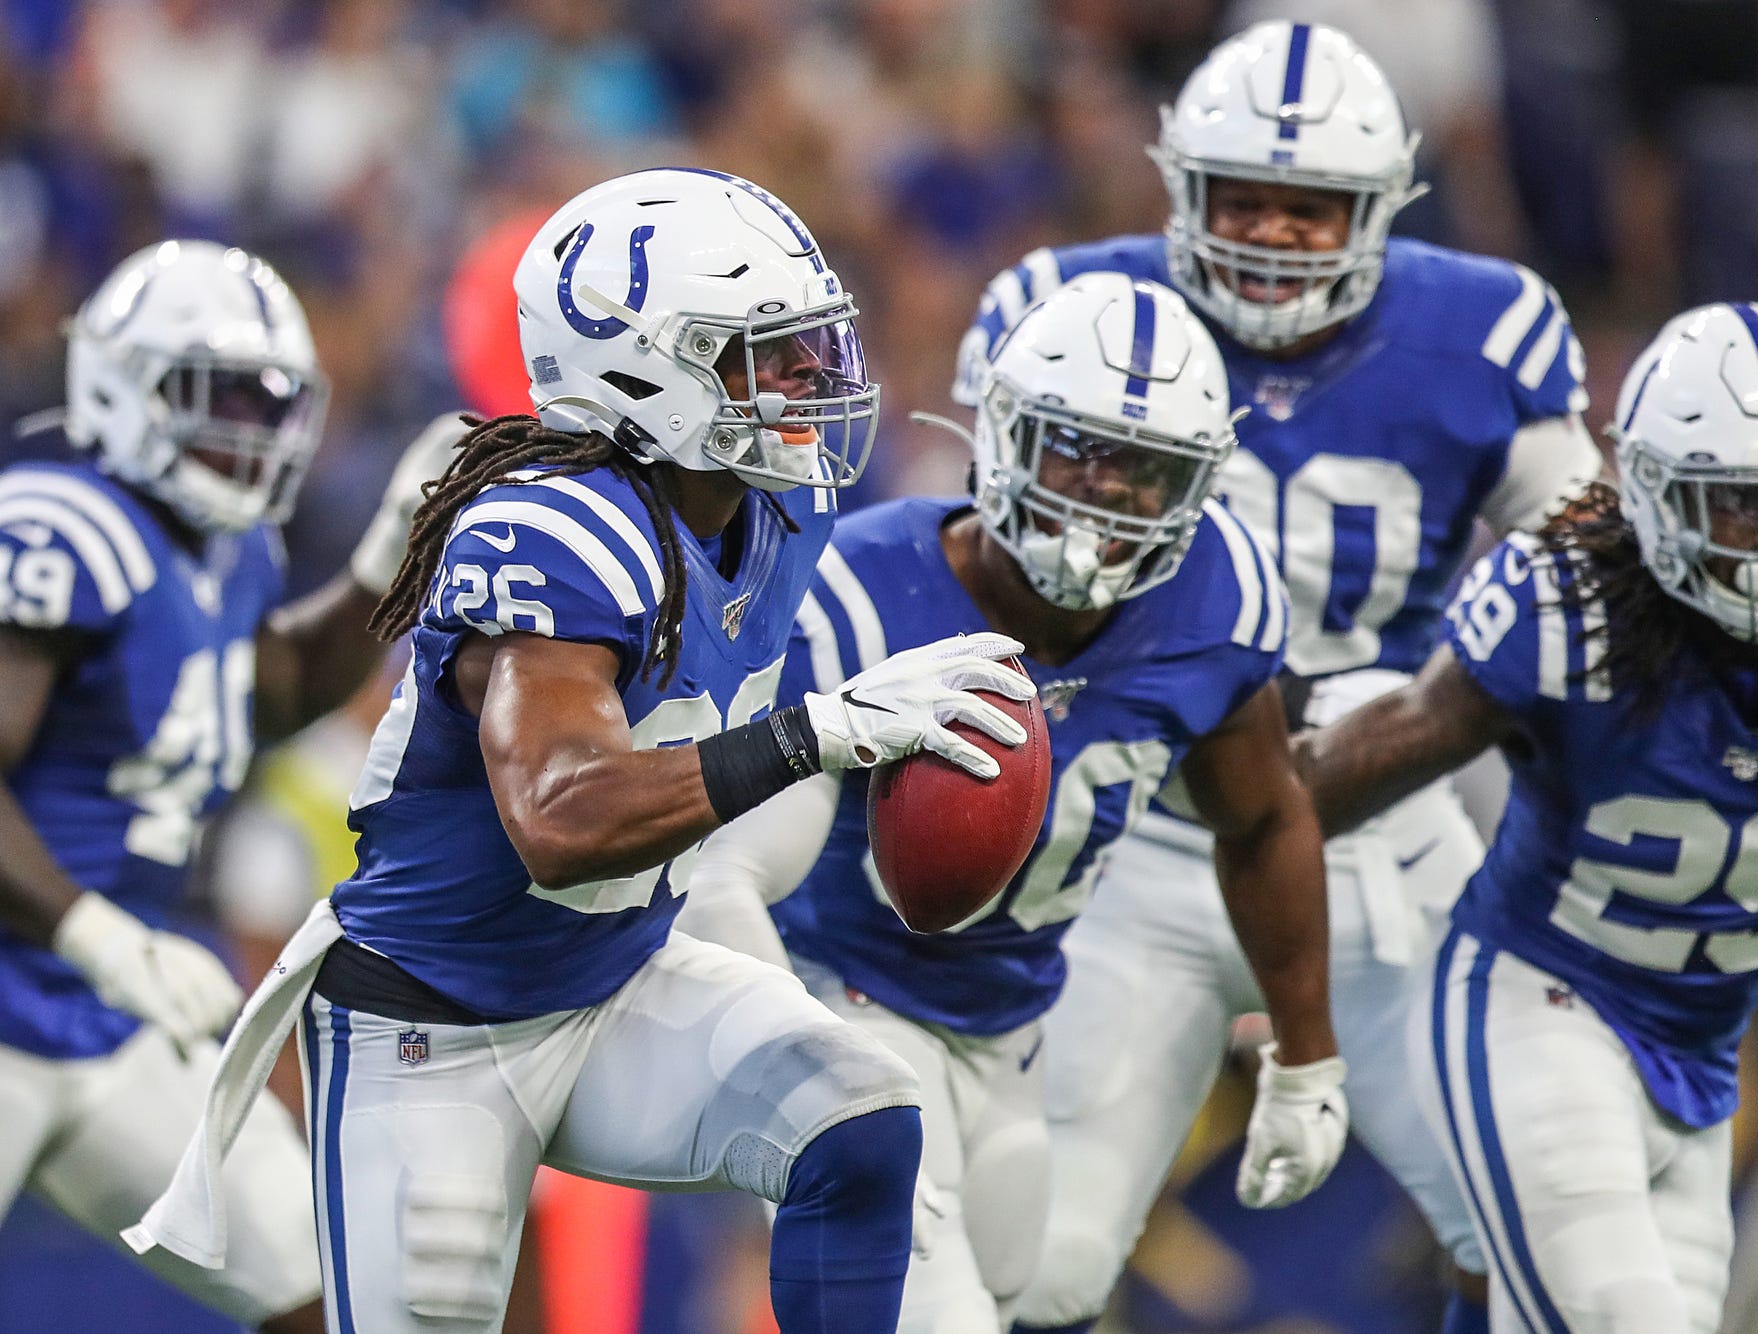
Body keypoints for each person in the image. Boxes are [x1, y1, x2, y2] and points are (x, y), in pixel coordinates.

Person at [126, 166, 1036, 1334]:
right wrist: (816, 732)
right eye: (763, 356)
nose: (810, 382)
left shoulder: (782, 503)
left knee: (857, 1109)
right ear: (641, 371)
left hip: (615, 974)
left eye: (811, 347)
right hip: (435, 1023)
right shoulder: (552, 528)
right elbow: (561, 819)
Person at [953, 22, 1603, 1332]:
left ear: (1378, 208)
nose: (1270, 233)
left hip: (1379, 820)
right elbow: (978, 556)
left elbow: (1579, 579)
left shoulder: (1481, 327)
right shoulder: (1070, 313)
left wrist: (1439, 708)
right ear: (1178, 185)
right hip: (1137, 829)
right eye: (1240, 196)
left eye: (1307, 208)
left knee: (1529, 1223)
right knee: (1043, 1259)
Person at [1289, 301, 1758, 1332]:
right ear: (1655, 497)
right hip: (1539, 999)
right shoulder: (1567, 608)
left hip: (1701, 1057)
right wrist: (1209, 817)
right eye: (1743, 504)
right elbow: (1322, 784)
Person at [676, 271, 1343, 1334]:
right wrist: (812, 1084)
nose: (1101, 493)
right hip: (849, 997)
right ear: (998, 432)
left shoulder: (1217, 597)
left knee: (1049, 1283)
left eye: (1144, 469)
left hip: (1012, 1022)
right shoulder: (859, 593)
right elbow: (724, 883)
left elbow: (1263, 819)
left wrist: (1308, 1055)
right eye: (1073, 448)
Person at [0, 238, 451, 1333]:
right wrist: (100, 935)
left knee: (335, 1291)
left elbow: (271, 690)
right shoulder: (64, 526)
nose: (250, 430)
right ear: (123, 384)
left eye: (269, 403)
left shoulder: (227, 550)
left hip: (110, 1014)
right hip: (40, 986)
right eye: (222, 398)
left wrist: (390, 556)